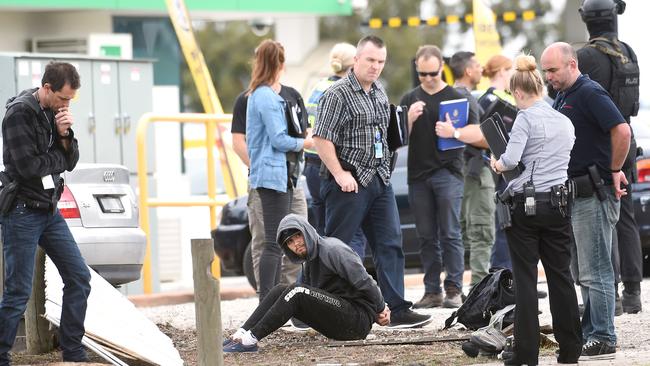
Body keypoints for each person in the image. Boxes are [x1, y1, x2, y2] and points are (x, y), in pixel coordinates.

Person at [313, 35, 431, 327]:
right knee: (335, 248)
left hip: (379, 180)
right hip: (348, 182)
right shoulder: (337, 94)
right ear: (356, 60)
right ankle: (316, 306)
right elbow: (320, 138)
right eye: (370, 60)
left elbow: (385, 136)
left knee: (390, 244)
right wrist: (340, 174)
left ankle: (398, 309)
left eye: (380, 61)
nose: (375, 66)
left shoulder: (379, 91)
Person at [490, 54, 582, 366]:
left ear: (517, 93)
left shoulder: (525, 119)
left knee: (527, 280)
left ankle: (527, 354)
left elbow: (511, 161)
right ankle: (570, 350)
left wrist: (497, 162)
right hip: (559, 204)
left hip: (526, 207)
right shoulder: (564, 121)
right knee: (560, 277)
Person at [542, 42, 631, 360]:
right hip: (575, 194)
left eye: (552, 70)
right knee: (583, 271)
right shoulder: (564, 95)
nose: (548, 76)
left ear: (572, 65)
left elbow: (622, 130)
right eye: (545, 71)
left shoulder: (590, 92)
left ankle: (604, 337)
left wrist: (615, 169)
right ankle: (592, 330)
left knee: (596, 270)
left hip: (594, 194)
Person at [0, 62, 91, 364]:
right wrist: (59, 159)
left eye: (71, 100)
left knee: (79, 276)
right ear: (48, 88)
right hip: (23, 211)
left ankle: (73, 352)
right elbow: (27, 168)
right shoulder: (19, 114)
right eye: (63, 98)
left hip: (49, 209)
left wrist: (65, 135)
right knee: (18, 292)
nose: (66, 105)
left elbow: (72, 159)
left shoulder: (56, 114)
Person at [222, 214, 389, 352]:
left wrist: (381, 308)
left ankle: (250, 340)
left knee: (296, 291)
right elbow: (303, 299)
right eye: (290, 242)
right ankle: (241, 334)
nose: (296, 243)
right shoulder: (309, 261)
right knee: (282, 289)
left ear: (307, 231)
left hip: (357, 321)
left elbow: (365, 281)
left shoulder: (333, 250)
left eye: (297, 235)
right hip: (338, 319)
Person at [400, 45, 484, 309]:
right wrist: (409, 120)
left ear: (442, 68)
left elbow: (479, 134)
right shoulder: (409, 99)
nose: (427, 79)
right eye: (422, 74)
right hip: (418, 176)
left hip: (448, 173)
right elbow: (397, 139)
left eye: (432, 73)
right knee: (426, 236)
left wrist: (453, 132)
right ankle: (432, 290)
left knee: (450, 233)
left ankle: (454, 289)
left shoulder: (456, 97)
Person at [577, 0, 642, 314]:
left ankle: (611, 297)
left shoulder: (587, 56)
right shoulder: (628, 51)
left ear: (587, 20)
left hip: (600, 147)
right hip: (626, 141)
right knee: (625, 217)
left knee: (604, 220)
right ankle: (633, 293)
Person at [246, 39, 313, 301]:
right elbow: (279, 140)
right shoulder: (266, 96)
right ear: (280, 64)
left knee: (275, 242)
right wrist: (306, 142)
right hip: (272, 176)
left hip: (277, 175)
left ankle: (271, 300)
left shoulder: (257, 94)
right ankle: (267, 302)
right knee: (274, 244)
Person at [231, 85, 308, 291]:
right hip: (264, 182)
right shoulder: (247, 98)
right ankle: (267, 302)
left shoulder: (292, 95)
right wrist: (261, 170)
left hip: (293, 180)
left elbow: (303, 133)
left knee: (299, 237)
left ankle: (289, 299)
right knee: (265, 241)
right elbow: (238, 142)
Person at [304, 42, 368, 258]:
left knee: (323, 233)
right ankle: (352, 285)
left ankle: (325, 285)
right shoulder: (345, 91)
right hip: (333, 167)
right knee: (353, 233)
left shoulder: (319, 86)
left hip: (312, 168)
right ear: (353, 67)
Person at [448, 51, 495, 288]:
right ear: (467, 71)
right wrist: (497, 138)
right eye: (477, 65)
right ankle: (480, 289)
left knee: (469, 230)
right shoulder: (466, 98)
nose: (481, 68)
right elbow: (481, 138)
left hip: (462, 172)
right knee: (481, 229)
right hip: (476, 172)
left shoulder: (450, 96)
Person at [477, 54, 515, 271]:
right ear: (502, 71)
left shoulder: (511, 98)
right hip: (497, 171)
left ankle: (517, 277)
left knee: (515, 226)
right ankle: (503, 275)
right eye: (510, 71)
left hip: (513, 169)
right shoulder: (488, 101)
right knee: (504, 223)